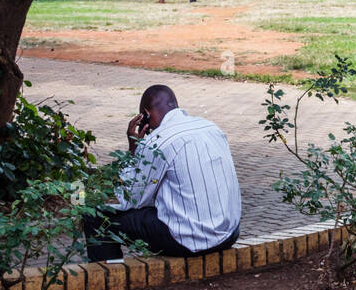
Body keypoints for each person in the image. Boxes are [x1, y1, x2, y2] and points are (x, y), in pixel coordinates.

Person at [83, 85, 242, 261]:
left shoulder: (157, 141)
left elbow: (130, 199)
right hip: (228, 234)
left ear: (145, 114)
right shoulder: (211, 128)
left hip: (189, 240)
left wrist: (133, 149)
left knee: (94, 216)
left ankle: (108, 278)